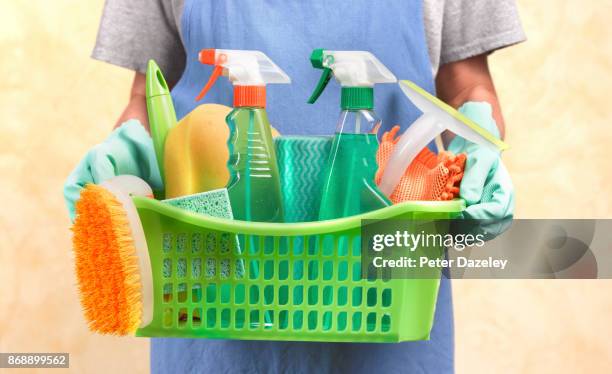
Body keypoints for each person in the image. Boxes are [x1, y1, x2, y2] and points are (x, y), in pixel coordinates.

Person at [65, 1, 524, 372]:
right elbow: (146, 94)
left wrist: (475, 149)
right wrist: (130, 151)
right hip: (210, 287)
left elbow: (467, 86)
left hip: (383, 288)